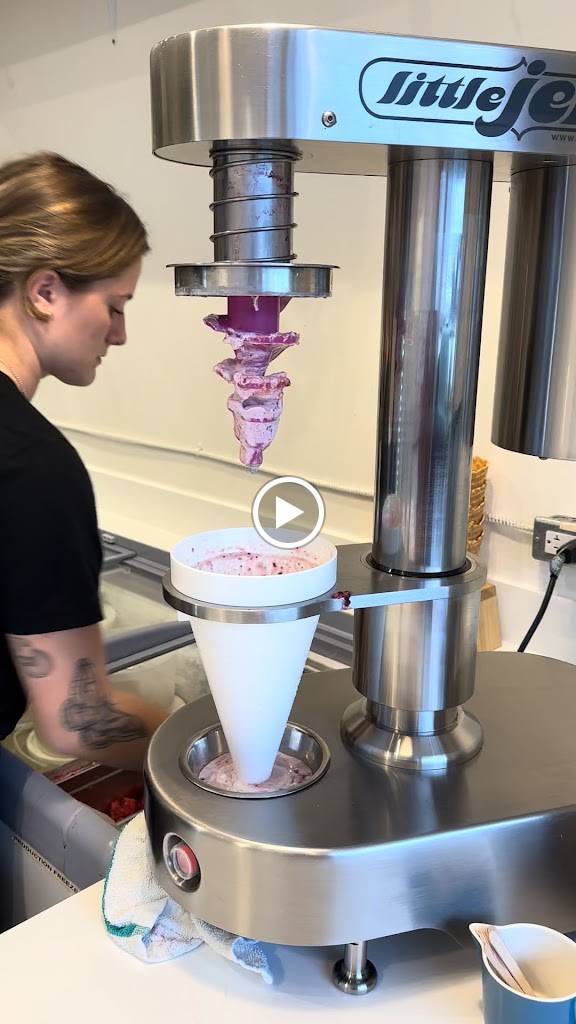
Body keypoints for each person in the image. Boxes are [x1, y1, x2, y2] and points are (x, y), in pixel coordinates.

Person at [0, 151, 167, 770]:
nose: (119, 334)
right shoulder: (32, 466)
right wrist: (219, 755)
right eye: (115, 306)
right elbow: (80, 723)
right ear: (45, 291)